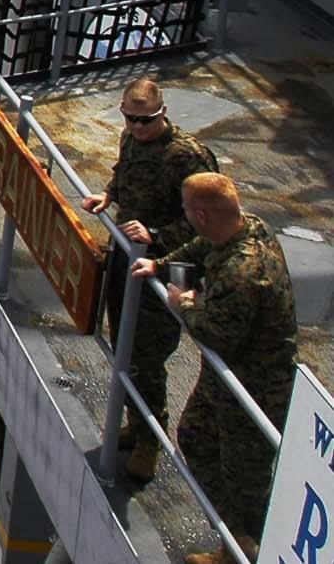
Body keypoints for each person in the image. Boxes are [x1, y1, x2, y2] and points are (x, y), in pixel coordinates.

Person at [131, 173, 296, 564]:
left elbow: (219, 334)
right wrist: (162, 265)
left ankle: (245, 549)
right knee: (196, 436)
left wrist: (183, 303)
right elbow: (202, 246)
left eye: (187, 210)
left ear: (201, 213)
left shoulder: (246, 270)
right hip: (226, 377)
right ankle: (234, 538)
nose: (186, 217)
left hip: (255, 387)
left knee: (247, 479)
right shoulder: (245, 226)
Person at [80, 77, 219, 480]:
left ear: (163, 113)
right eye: (131, 119)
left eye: (147, 120)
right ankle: (136, 424)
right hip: (127, 261)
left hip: (164, 268)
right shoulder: (130, 141)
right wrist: (109, 196)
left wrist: (157, 236)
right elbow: (123, 174)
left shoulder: (189, 158)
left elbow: (207, 224)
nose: (138, 128)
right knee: (123, 347)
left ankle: (148, 443)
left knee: (146, 357)